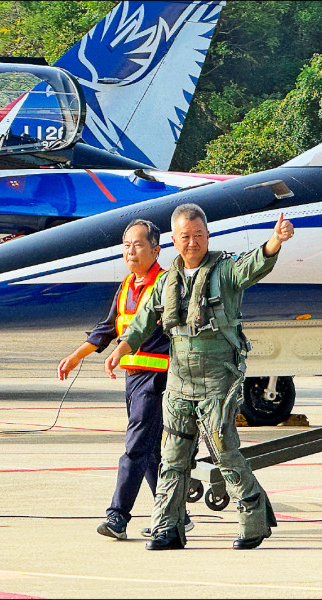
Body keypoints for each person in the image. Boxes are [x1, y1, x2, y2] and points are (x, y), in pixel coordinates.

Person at [104, 203, 294, 550]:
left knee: (224, 449)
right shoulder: (166, 282)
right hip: (179, 379)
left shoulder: (224, 271)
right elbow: (143, 321)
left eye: (198, 236)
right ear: (174, 240)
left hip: (218, 377)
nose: (192, 243)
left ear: (207, 236)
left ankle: (254, 522)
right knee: (173, 455)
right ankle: (167, 528)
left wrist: (274, 242)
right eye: (185, 237)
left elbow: (252, 266)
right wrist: (120, 348)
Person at [58, 218, 181, 540]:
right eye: (126, 245)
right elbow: (108, 327)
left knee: (136, 447)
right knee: (151, 449)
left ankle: (117, 517)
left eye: (138, 244)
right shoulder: (128, 284)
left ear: (155, 250)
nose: (131, 251)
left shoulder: (167, 284)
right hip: (133, 377)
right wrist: (75, 356)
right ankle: (174, 514)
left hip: (157, 378)